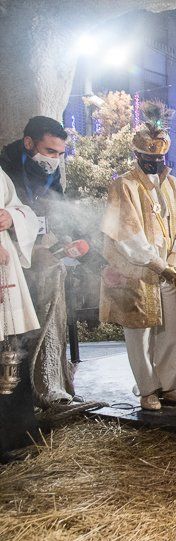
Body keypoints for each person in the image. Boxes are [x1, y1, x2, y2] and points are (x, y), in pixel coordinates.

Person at [99, 101, 176, 411]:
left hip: (170, 268)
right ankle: (148, 388)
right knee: (139, 333)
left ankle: (169, 384)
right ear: (137, 157)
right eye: (148, 158)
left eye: (160, 158)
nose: (155, 163)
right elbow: (127, 232)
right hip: (138, 269)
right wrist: (158, 264)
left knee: (172, 330)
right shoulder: (123, 185)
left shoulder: (174, 184)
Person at [0, 116, 74, 408]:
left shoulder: (49, 171)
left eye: (59, 154)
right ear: (29, 143)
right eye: (49, 151)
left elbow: (54, 207)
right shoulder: (6, 166)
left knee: (39, 326)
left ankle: (45, 386)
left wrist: (65, 240)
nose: (54, 160)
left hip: (33, 252)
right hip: (14, 258)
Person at [0, 167, 40, 456]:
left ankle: (15, 438)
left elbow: (21, 208)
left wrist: (12, 217)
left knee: (12, 352)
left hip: (6, 268)